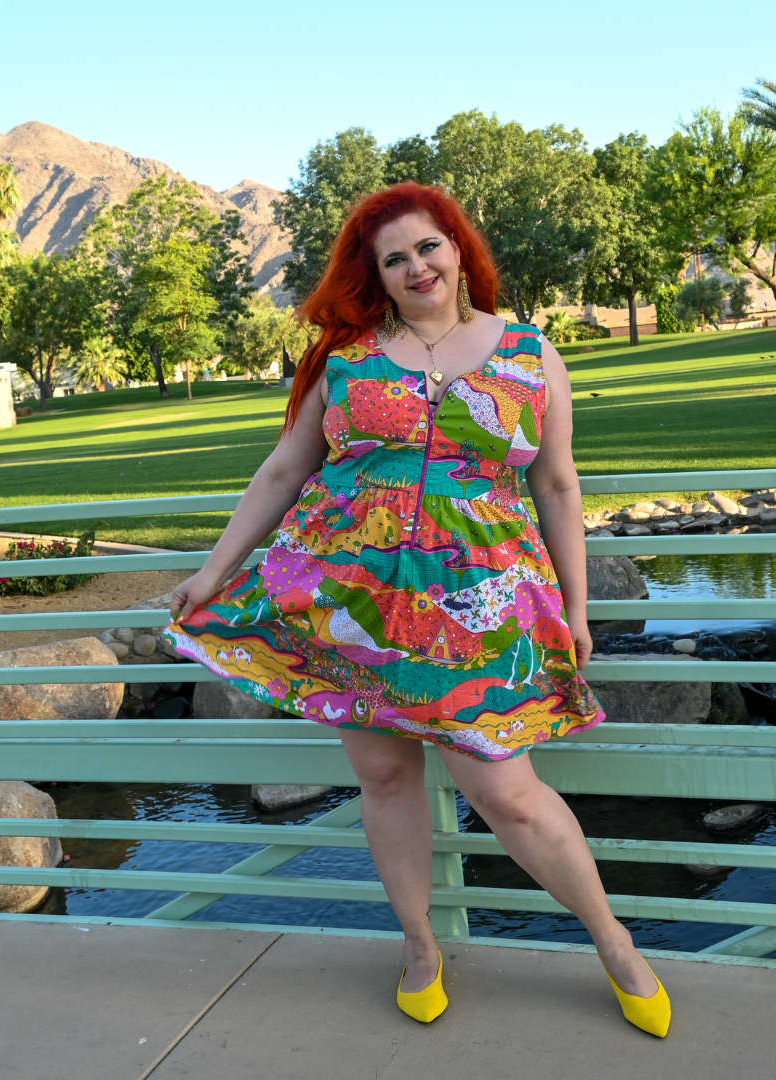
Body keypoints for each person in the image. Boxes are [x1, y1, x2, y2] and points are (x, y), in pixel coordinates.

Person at [163, 182, 670, 1037]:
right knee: (386, 774)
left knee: (508, 793)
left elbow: (555, 481)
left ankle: (613, 941)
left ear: (458, 248)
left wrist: (577, 607)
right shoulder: (347, 356)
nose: (415, 266)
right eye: (393, 258)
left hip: (478, 606)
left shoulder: (527, 351)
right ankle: (420, 945)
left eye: (427, 247)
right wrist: (215, 573)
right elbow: (284, 472)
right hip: (345, 596)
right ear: (378, 275)